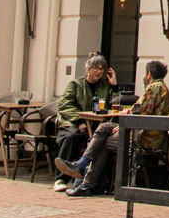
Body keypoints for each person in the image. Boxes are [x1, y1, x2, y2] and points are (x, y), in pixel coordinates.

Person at [66, 59, 169, 197]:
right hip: (141, 130)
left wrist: (125, 124)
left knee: (103, 143)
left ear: (148, 75)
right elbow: (140, 109)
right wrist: (126, 115)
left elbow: (141, 112)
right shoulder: (161, 87)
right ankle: (85, 170)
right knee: (105, 127)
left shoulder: (154, 88)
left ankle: (86, 182)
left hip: (144, 136)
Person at [50, 55, 120, 190]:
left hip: (95, 124)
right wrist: (79, 121)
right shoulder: (76, 85)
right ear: (88, 69)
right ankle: (60, 178)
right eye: (95, 68)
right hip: (72, 122)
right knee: (72, 136)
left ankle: (88, 179)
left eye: (101, 69)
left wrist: (114, 86)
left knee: (100, 140)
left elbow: (115, 105)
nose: (98, 72)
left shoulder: (105, 86)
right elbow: (65, 105)